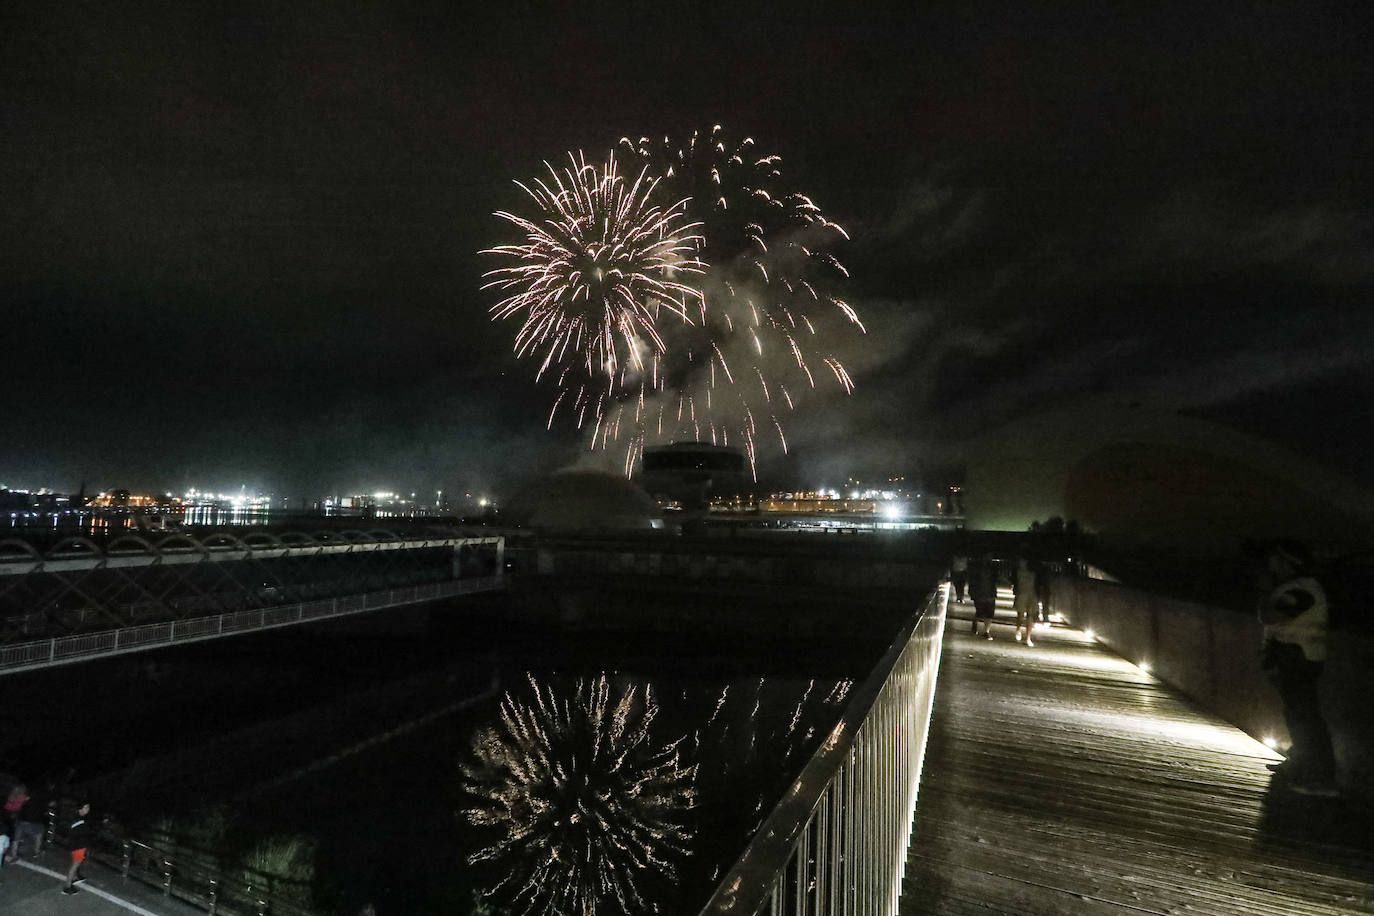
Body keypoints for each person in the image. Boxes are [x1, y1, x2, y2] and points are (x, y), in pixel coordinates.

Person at [1258, 541, 1338, 797]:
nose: (1272, 565)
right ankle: (1301, 764)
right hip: (1294, 658)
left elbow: (1272, 616)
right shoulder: (1299, 587)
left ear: (1288, 564)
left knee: (1305, 718)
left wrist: (1266, 593)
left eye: (1277, 561)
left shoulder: (1302, 590)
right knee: (1297, 715)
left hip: (1299, 660)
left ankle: (1318, 778)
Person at [62, 801, 92, 895]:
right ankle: (67, 887)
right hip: (78, 846)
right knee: (75, 865)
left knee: (76, 864)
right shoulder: (79, 820)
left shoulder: (77, 818)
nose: (88, 809)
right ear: (80, 808)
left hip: (75, 845)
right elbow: (78, 834)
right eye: (85, 807)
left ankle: (76, 878)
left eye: (88, 807)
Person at [968, 555, 998, 639]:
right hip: (980, 592)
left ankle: (986, 631)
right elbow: (972, 580)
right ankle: (976, 621)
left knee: (989, 613)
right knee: (980, 611)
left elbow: (995, 580)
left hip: (989, 592)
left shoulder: (992, 568)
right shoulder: (976, 568)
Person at [1013, 556, 1038, 646]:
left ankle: (1028, 637)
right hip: (1022, 594)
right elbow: (1015, 584)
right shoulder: (1018, 573)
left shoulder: (1033, 573)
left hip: (1032, 595)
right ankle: (1018, 629)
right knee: (1020, 616)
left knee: (1030, 616)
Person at [1034, 559, 1053, 624]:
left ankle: (1037, 617)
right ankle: (1045, 617)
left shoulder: (1037, 571)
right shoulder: (1047, 571)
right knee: (1045, 604)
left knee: (1038, 603)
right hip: (1044, 588)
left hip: (1039, 588)